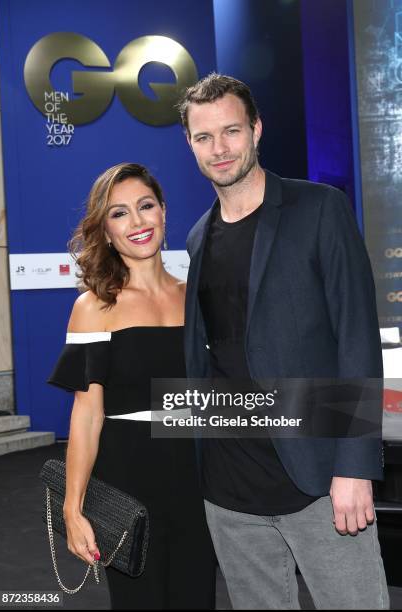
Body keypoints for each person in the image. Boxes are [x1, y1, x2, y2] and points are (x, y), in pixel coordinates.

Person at [177, 74, 390, 610]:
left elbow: (356, 339)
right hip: (229, 489)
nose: (219, 148)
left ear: (256, 130)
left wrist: (355, 467)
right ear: (190, 144)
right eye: (204, 137)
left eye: (231, 131)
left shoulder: (319, 209)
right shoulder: (198, 235)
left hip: (318, 479)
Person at [47, 162, 216, 610]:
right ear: (104, 230)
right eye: (119, 213)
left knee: (197, 596)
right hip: (128, 481)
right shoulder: (94, 306)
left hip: (199, 477)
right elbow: (87, 415)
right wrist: (73, 506)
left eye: (145, 206)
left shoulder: (196, 297)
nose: (137, 222)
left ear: (163, 212)